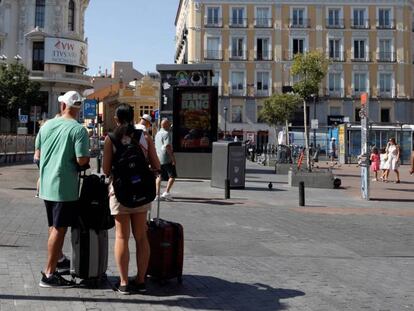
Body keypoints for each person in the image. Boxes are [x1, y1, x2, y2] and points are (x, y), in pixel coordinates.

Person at [103, 103, 160, 295]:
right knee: (141, 236)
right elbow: (156, 164)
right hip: (142, 192)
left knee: (121, 236)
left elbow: (105, 169)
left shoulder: (111, 138)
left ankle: (124, 283)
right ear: (133, 116)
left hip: (120, 193)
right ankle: (142, 280)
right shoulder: (145, 137)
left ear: (116, 119)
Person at [36, 91, 90, 288]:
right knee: (59, 229)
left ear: (62, 106)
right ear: (78, 108)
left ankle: (58, 261)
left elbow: (37, 154)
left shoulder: (47, 125)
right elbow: (82, 159)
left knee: (53, 226)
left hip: (46, 184)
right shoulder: (78, 130)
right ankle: (49, 274)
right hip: (64, 186)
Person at [155, 118, 176, 201]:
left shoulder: (157, 134)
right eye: (169, 123)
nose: (170, 125)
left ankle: (157, 194)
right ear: (165, 125)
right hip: (166, 157)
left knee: (159, 176)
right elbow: (167, 146)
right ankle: (166, 192)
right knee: (172, 175)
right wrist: (173, 158)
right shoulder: (166, 133)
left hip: (158, 157)